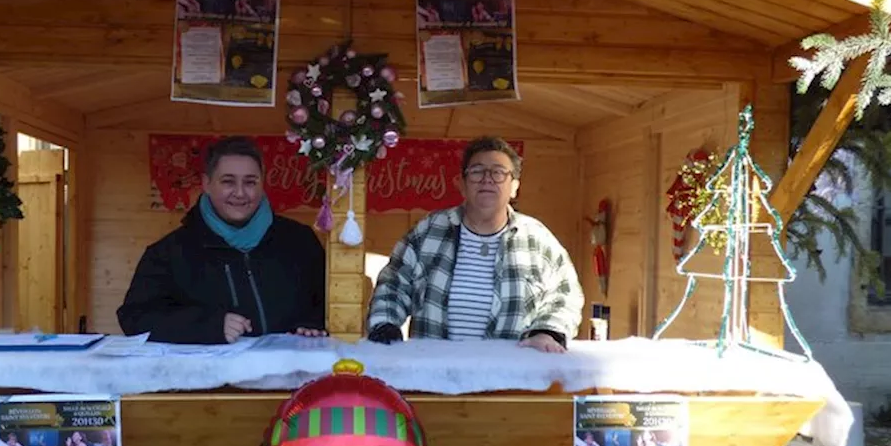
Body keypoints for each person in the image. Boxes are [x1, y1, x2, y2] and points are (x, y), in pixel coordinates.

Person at [366, 136, 585, 352]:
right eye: (477, 171)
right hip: (433, 374)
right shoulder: (428, 231)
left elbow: (564, 295)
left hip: (511, 378)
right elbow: (393, 284)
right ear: (461, 184)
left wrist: (547, 332)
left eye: (498, 172)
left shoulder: (538, 240)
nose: (487, 179)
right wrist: (385, 325)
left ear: (515, 187)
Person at [118, 136, 327, 344]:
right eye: (228, 182)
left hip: (291, 374)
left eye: (250, 182)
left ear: (262, 184)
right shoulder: (168, 253)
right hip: (209, 376)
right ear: (206, 184)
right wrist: (209, 326)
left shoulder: (300, 241)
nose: (240, 193)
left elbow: (330, 302)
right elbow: (135, 318)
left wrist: (312, 324)